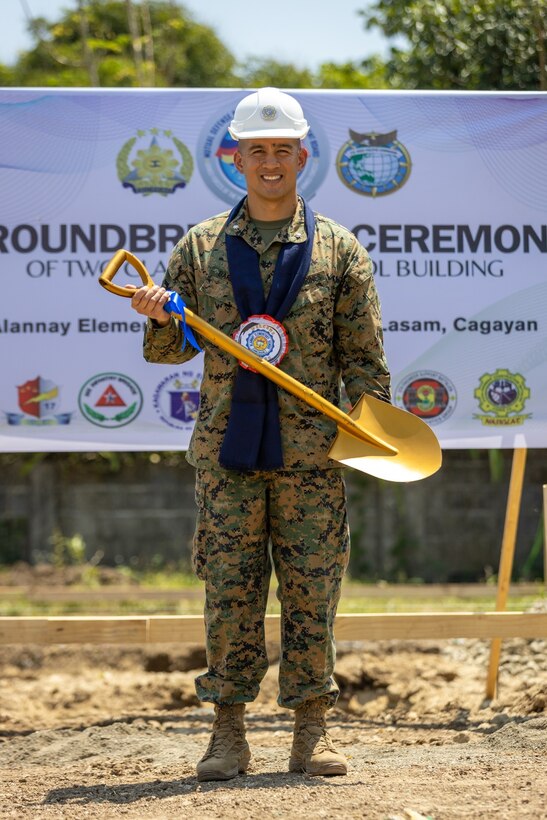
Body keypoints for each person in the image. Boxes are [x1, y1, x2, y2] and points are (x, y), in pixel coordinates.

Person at [129, 87, 391, 781]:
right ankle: (227, 734)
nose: (270, 162)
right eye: (256, 151)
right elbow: (168, 353)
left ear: (302, 157)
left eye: (282, 150)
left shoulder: (338, 250)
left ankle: (312, 731)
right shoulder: (201, 246)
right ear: (235, 158)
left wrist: (371, 435)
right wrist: (158, 316)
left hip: (310, 458)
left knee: (312, 594)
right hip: (227, 454)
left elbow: (364, 359)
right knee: (230, 590)